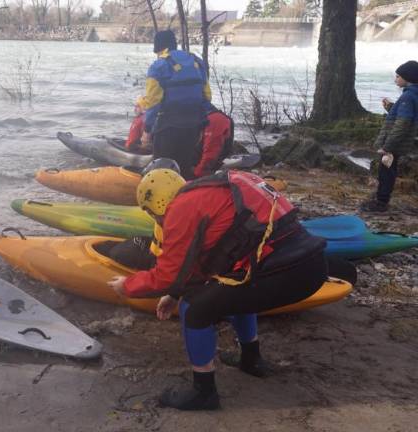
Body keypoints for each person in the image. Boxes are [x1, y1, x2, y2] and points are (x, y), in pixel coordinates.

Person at [107, 167, 328, 411]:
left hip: (286, 271)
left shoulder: (180, 209)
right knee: (235, 287)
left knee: (195, 308)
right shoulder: (213, 189)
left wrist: (127, 286)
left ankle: (204, 393)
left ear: (155, 205)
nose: (158, 221)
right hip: (312, 263)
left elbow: (167, 275)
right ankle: (251, 360)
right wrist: (174, 292)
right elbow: (205, 263)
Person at [140, 30, 212, 180]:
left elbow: (153, 102)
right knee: (184, 167)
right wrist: (201, 126)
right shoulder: (197, 62)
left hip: (168, 127)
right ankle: (185, 197)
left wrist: (147, 130)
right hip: (193, 126)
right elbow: (206, 96)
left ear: (159, 48)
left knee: (160, 170)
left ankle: (162, 200)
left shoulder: (159, 66)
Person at [360, 61, 418, 212]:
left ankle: (381, 202)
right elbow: (407, 117)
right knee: (387, 171)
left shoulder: (407, 97)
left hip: (394, 144)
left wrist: (387, 146)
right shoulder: (412, 95)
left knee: (386, 172)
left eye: (398, 76)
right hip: (398, 142)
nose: (395, 79)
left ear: (408, 78)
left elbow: (402, 125)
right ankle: (381, 198)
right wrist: (391, 108)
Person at [193, 105, 234, 178]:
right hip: (196, 168)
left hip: (205, 172)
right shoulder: (201, 116)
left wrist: (198, 172)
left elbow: (211, 151)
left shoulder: (214, 119)